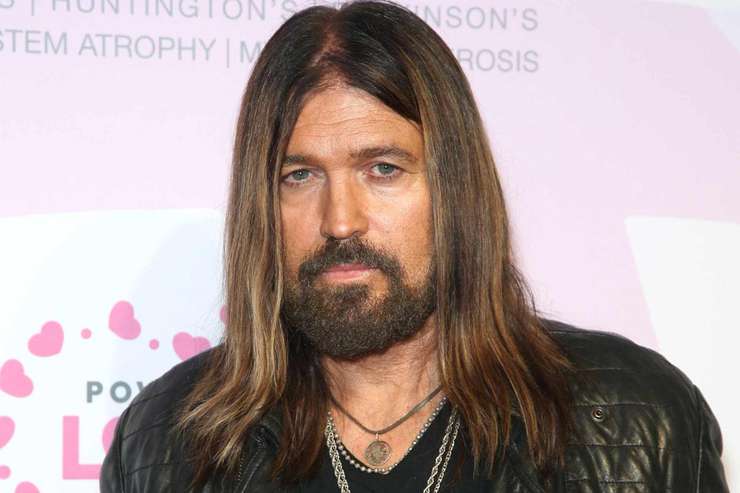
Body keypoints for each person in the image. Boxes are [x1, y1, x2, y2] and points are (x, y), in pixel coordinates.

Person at [100, 1, 728, 491]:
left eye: (383, 169)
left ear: (455, 188)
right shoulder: (164, 443)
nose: (340, 221)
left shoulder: (639, 417)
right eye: (300, 175)